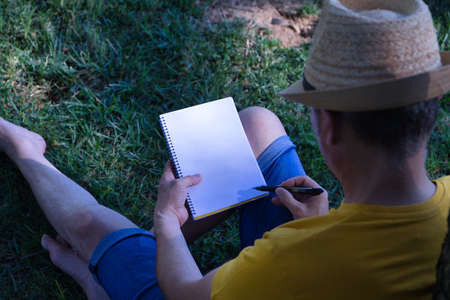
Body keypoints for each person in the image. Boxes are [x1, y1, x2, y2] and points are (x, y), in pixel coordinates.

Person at [2, 0, 449, 299]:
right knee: (256, 125)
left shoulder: (296, 257)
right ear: (429, 114)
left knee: (89, 226)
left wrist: (166, 222)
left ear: (328, 129)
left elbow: (185, 293)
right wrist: (323, 227)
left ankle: (25, 151)